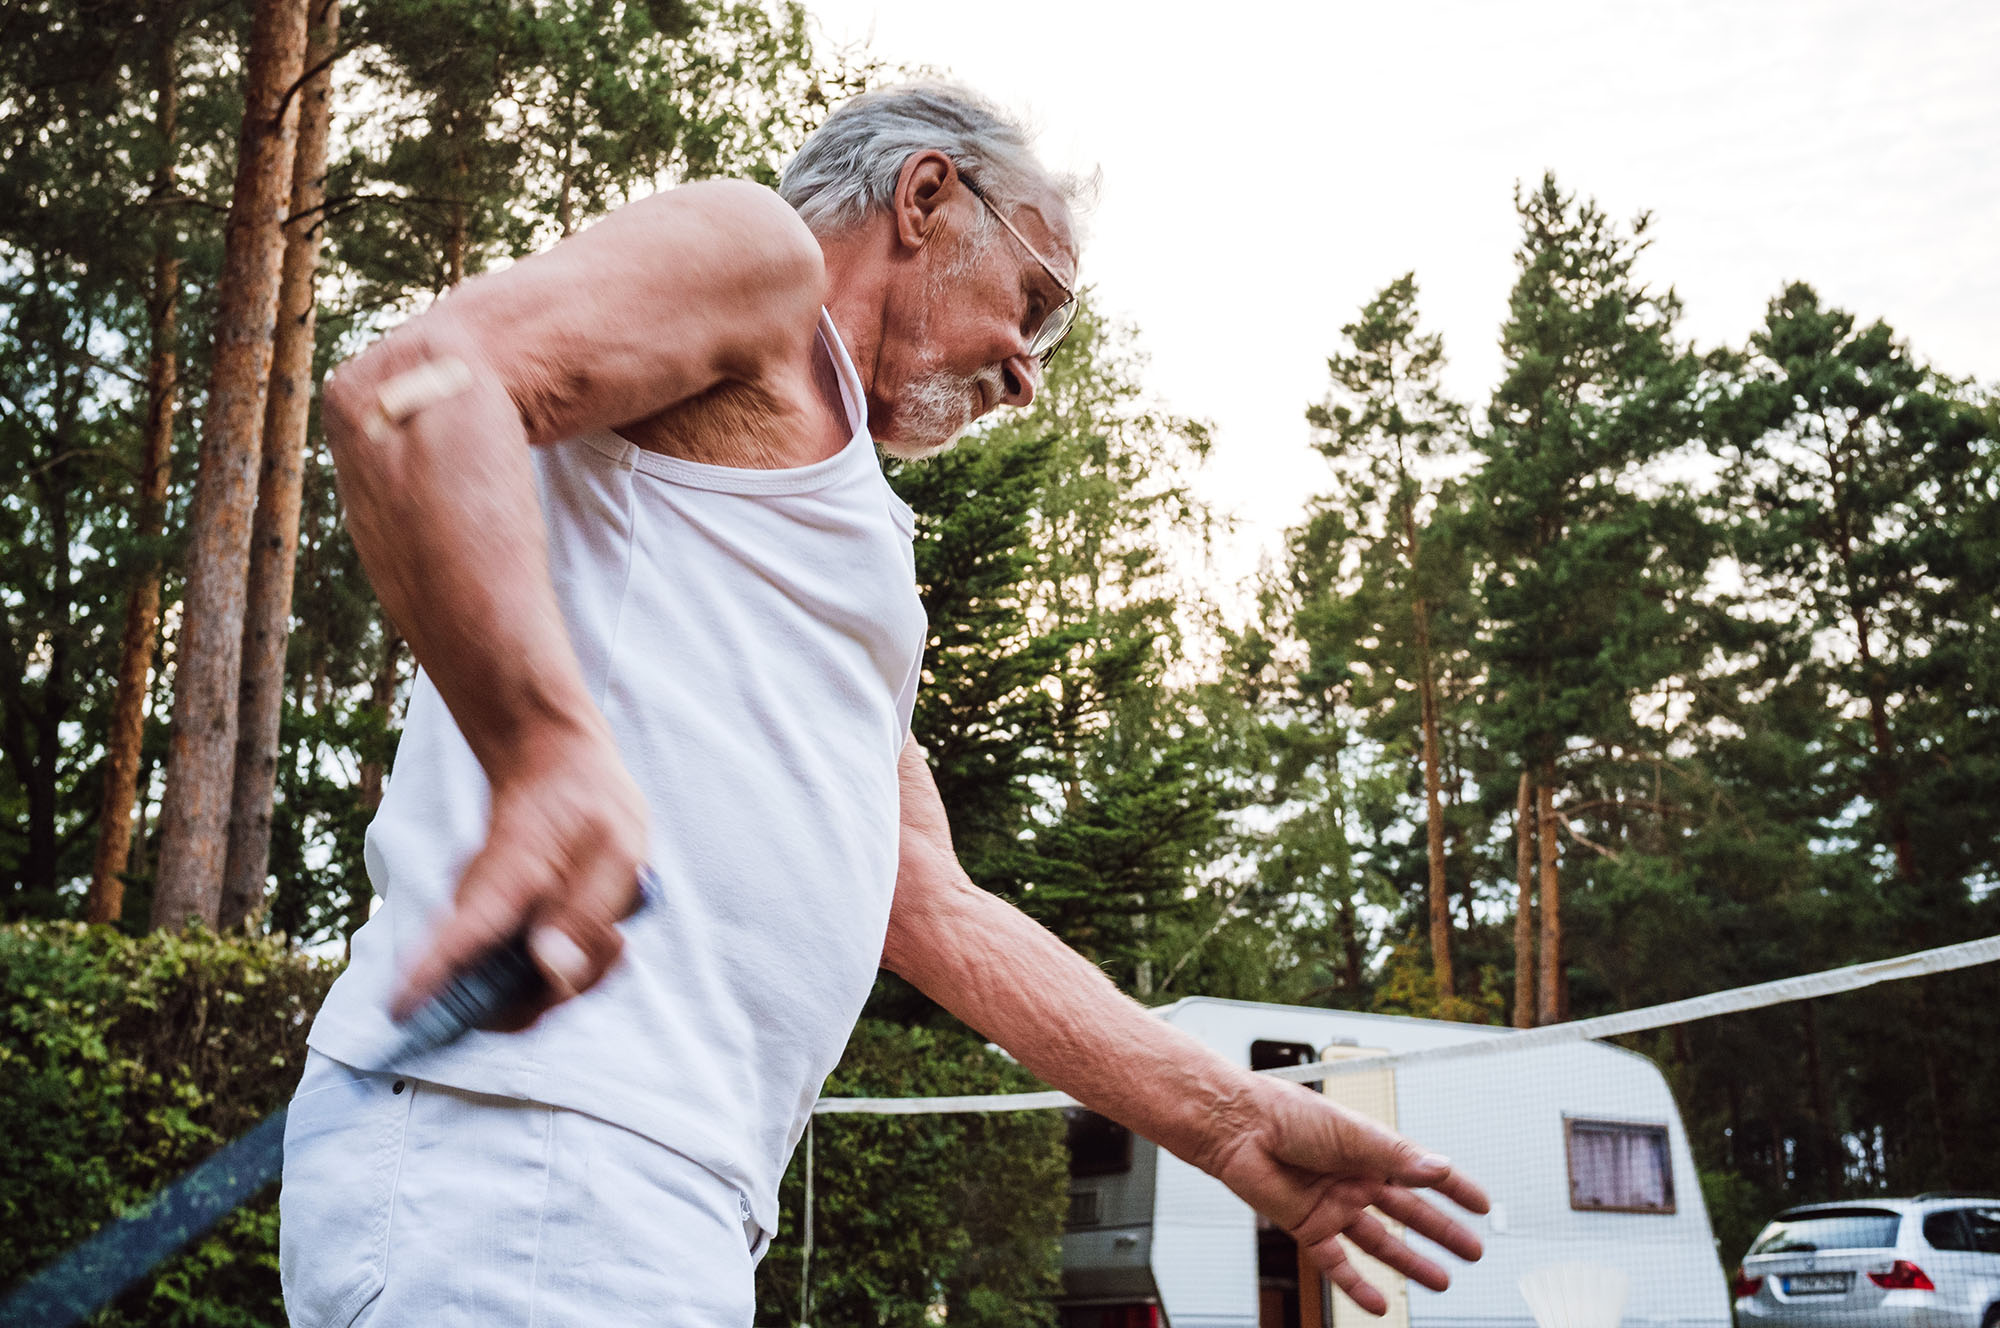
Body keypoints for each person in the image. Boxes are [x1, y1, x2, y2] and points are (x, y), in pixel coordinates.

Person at [279, 83, 1489, 1326]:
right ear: (923, 196)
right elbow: (418, 383)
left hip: (661, 1188)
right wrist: (542, 748)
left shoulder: (847, 535)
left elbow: (928, 900)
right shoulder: (761, 258)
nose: (1028, 376)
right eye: (1033, 304)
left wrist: (1224, 1118)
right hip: (533, 1146)